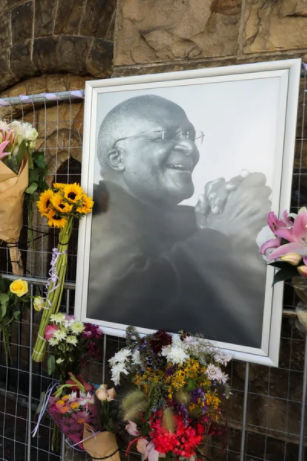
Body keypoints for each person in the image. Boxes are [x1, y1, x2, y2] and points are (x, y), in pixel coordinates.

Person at [87, 95, 272, 347]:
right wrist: (217, 234)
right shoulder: (102, 210)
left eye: (190, 135)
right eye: (165, 136)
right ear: (118, 157)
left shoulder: (167, 216)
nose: (190, 148)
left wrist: (225, 206)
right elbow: (121, 302)